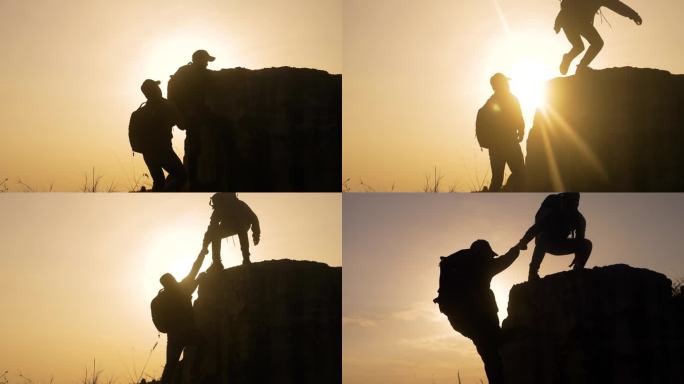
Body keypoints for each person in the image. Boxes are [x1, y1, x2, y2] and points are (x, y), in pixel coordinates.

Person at [434, 240, 522, 384]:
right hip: (478, 318)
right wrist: (517, 248)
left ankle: (500, 339)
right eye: (489, 255)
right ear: (483, 253)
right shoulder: (481, 265)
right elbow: (505, 260)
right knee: (492, 354)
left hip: (458, 320)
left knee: (488, 350)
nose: (491, 258)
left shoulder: (456, 266)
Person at [518, 192, 593, 281]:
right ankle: (533, 272)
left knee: (587, 244)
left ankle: (577, 270)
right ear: (562, 202)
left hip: (561, 244)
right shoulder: (552, 214)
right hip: (546, 242)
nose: (567, 207)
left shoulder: (579, 220)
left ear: (576, 205)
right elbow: (536, 228)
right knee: (544, 238)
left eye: (571, 204)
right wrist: (523, 241)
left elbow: (580, 241)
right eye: (566, 203)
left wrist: (578, 258)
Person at [169, 50, 216, 190]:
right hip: (192, 117)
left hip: (191, 116)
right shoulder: (193, 74)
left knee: (195, 148)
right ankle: (194, 181)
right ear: (199, 60)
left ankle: (194, 179)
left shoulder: (185, 72)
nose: (207, 64)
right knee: (195, 149)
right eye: (205, 61)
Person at [555, 0, 642, 75]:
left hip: (567, 21)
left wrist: (558, 22)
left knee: (579, 47)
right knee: (597, 43)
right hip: (578, 21)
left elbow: (617, 6)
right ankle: (581, 67)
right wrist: (634, 15)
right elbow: (617, 6)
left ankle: (568, 58)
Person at [158, 251, 207, 384]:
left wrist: (197, 279)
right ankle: (194, 372)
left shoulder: (162, 298)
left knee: (170, 365)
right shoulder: (182, 288)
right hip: (188, 331)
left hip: (173, 336)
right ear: (172, 280)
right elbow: (195, 268)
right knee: (203, 343)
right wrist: (203, 253)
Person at [138, 79, 187, 191]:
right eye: (157, 87)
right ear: (155, 90)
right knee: (182, 176)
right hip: (164, 151)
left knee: (159, 181)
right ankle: (167, 192)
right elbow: (182, 124)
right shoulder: (167, 105)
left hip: (148, 154)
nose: (159, 89)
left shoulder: (142, 112)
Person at [479, 73, 525, 192]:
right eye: (505, 82)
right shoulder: (511, 99)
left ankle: (498, 194)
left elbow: (518, 117)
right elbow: (519, 117)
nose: (507, 84)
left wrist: (520, 130)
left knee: (497, 179)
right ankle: (507, 191)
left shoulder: (490, 102)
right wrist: (521, 131)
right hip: (510, 144)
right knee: (520, 173)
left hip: (496, 148)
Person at [201, 193, 260, 268]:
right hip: (229, 226)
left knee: (241, 229)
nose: (214, 206)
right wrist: (205, 245)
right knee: (215, 234)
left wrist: (256, 235)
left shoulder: (240, 205)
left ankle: (246, 258)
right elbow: (211, 229)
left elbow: (254, 218)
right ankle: (217, 263)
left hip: (243, 224)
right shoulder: (218, 210)